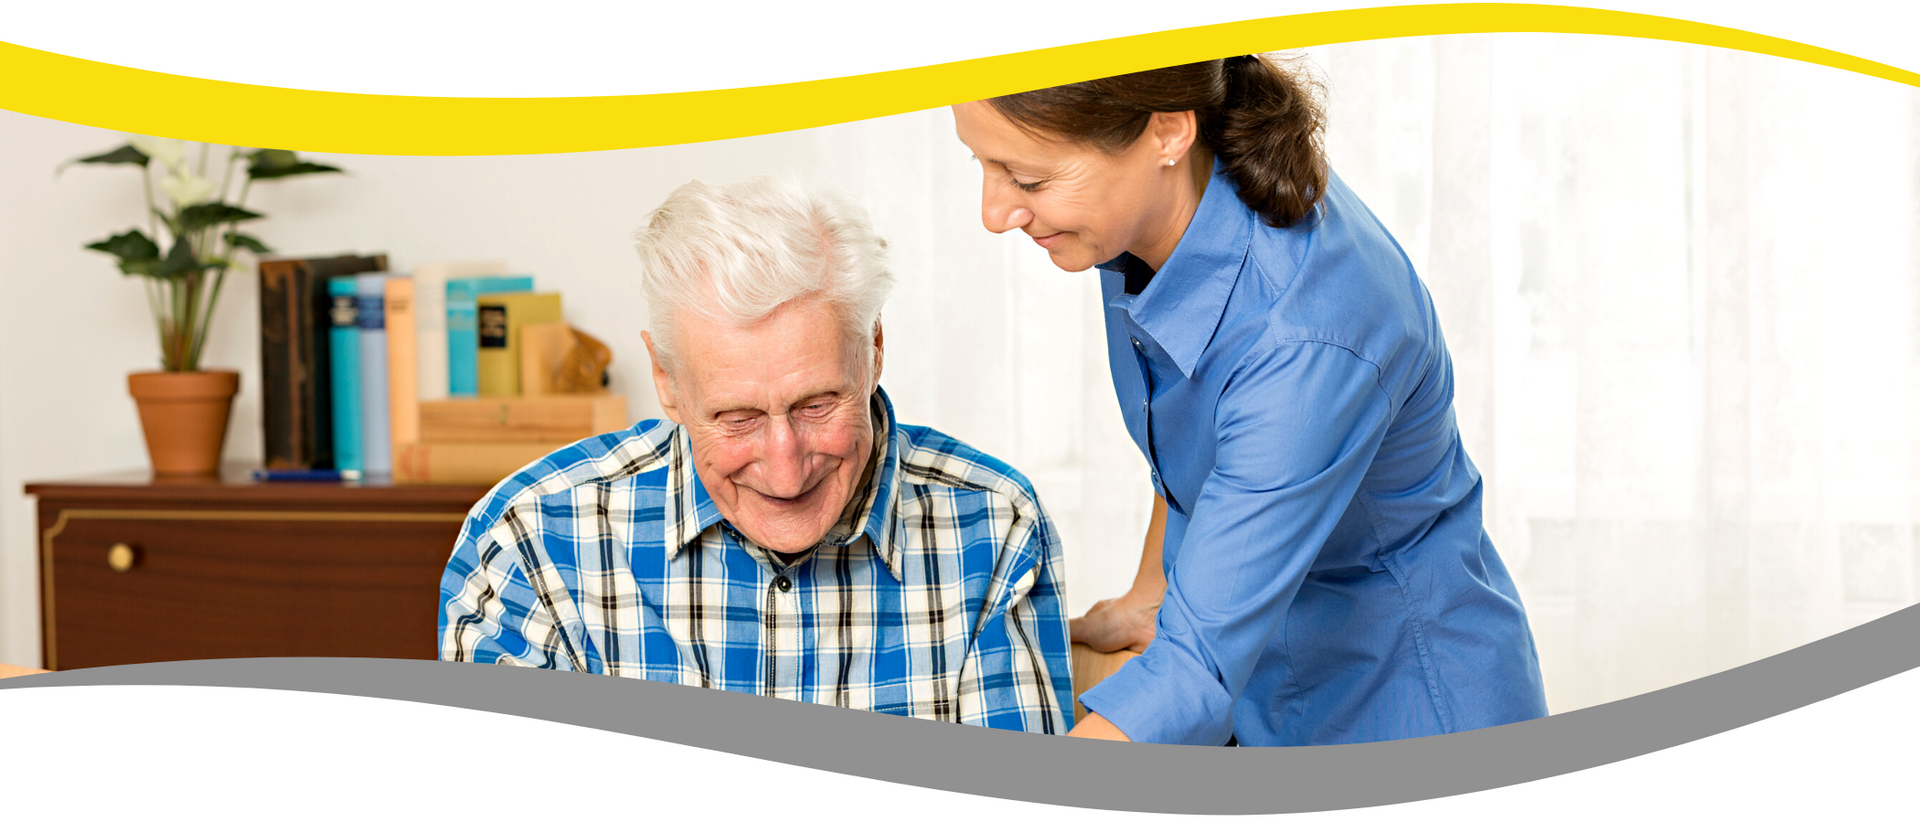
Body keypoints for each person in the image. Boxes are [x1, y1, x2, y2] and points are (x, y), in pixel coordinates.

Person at [952, 55, 1549, 746]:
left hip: (1407, 714)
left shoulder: (1305, 334)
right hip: (1269, 687)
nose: (995, 213)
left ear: (1168, 133)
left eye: (1028, 178)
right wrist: (1154, 593)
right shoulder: (1147, 220)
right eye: (982, 165)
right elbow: (1197, 433)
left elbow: (1190, 673)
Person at [439, 176, 1074, 734]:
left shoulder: (993, 527)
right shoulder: (531, 539)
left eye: (817, 405)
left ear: (873, 349)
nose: (785, 467)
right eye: (736, 418)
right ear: (666, 378)